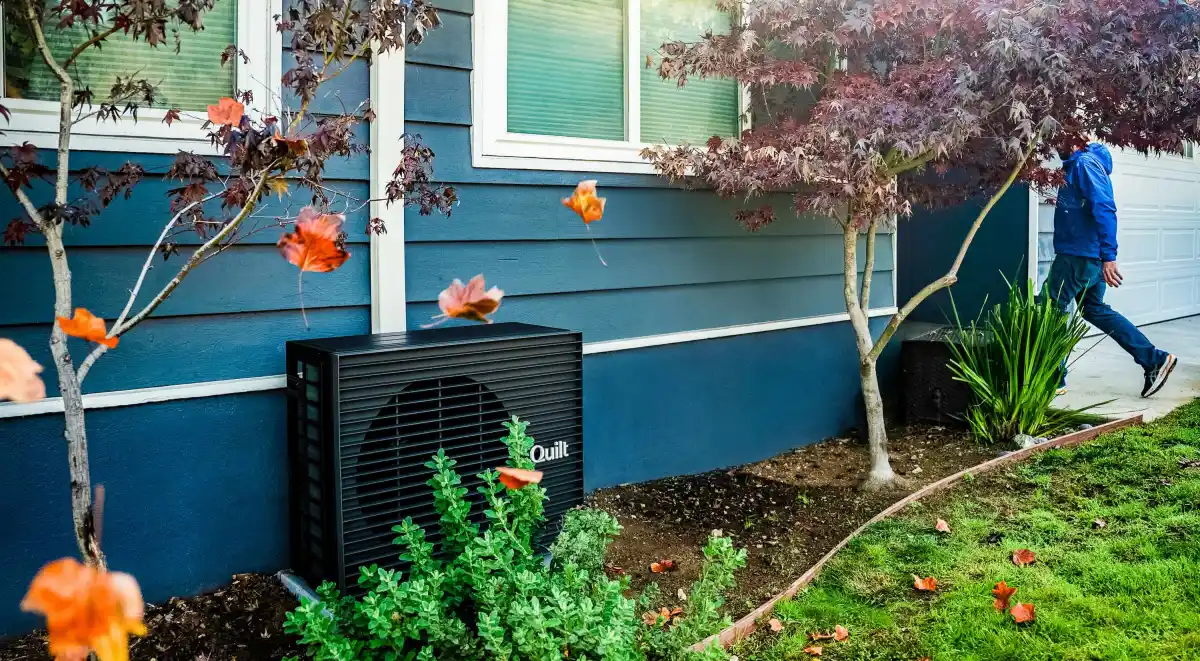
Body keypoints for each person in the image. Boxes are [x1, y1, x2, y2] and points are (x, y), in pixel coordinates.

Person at [1045, 142, 1177, 398]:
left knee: (1051, 309)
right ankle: (1153, 360)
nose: (1054, 144)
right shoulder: (1080, 165)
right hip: (1087, 255)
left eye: (1059, 138)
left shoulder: (1084, 164)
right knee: (1094, 309)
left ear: (1075, 138)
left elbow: (1104, 207)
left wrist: (1109, 257)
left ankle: (1054, 378)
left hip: (1078, 255)